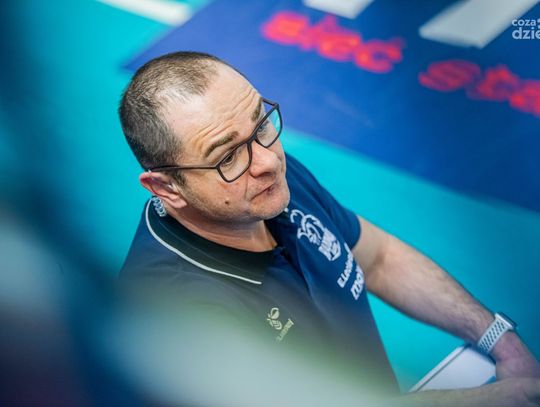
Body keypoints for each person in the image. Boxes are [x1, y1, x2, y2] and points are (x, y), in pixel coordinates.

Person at [118, 51, 540, 405]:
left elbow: (379, 259)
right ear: (166, 188)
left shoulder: (264, 184)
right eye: (227, 157)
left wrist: (498, 339)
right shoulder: (183, 319)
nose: (268, 161)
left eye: (260, 123)